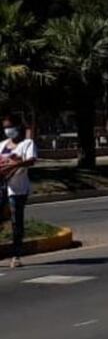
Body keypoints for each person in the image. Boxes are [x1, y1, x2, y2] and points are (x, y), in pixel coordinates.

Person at [0, 115, 37, 268]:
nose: (8, 130)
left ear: (17, 127)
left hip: (17, 188)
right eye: (5, 127)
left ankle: (16, 254)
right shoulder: (2, 145)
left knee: (16, 220)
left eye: (10, 126)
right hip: (1, 185)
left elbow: (31, 160)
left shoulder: (27, 143)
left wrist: (13, 166)